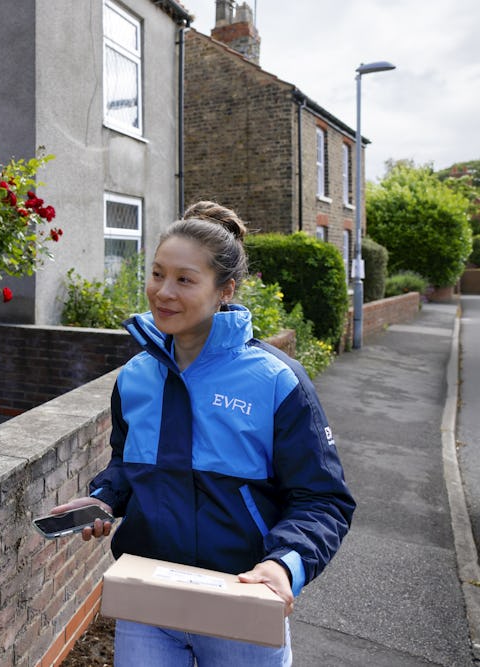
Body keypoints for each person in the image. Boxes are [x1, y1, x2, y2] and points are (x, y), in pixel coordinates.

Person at [52, 201, 355, 666]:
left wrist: (284, 564)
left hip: (241, 601)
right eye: (156, 274)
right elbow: (127, 466)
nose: (163, 292)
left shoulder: (277, 381)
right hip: (147, 600)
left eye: (184, 279)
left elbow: (322, 500)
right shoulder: (135, 377)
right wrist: (103, 498)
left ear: (225, 290)